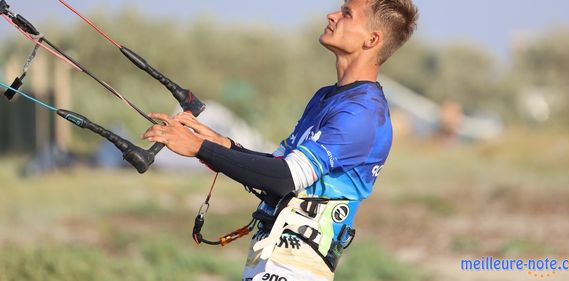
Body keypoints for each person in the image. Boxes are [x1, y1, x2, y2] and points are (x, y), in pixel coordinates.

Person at [143, 0, 418, 280]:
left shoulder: (362, 112)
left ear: (372, 39)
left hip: (298, 264)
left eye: (347, 13)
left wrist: (199, 148)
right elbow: (279, 165)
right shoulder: (327, 96)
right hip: (270, 254)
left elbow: (284, 178)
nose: (332, 15)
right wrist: (221, 144)